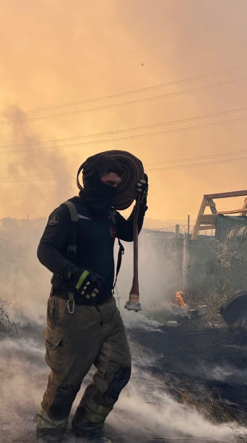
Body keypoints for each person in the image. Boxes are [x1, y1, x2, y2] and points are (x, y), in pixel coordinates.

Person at [35, 153, 148, 442]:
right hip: (72, 309)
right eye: (110, 181)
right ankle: (50, 430)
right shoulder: (68, 212)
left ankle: (86, 427)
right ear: (92, 179)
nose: (116, 185)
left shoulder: (109, 214)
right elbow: (45, 251)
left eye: (119, 182)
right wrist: (76, 274)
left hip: (106, 310)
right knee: (66, 381)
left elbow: (129, 233)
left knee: (118, 370)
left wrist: (141, 202)